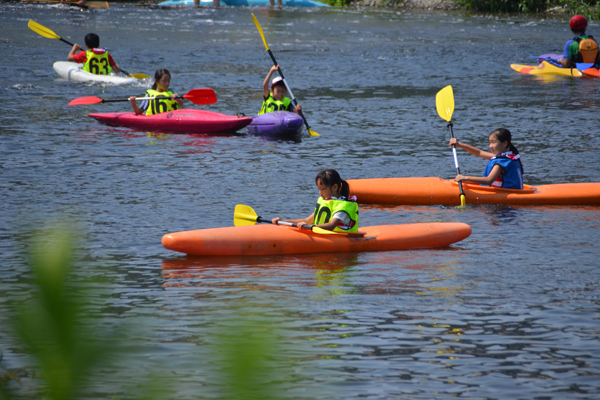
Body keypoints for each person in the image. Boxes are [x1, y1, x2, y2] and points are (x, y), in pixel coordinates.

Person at [272, 169, 359, 233]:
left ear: (335, 187)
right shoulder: (325, 202)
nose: (320, 193)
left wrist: (310, 227)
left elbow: (331, 225)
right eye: (319, 189)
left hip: (343, 238)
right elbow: (306, 221)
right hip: (322, 234)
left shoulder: (343, 206)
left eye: (323, 189)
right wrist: (283, 222)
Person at [449, 128, 524, 190]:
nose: (491, 146)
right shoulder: (506, 157)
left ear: (505, 143)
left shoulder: (501, 162)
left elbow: (489, 180)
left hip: (505, 197)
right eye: (490, 143)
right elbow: (479, 152)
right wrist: (459, 145)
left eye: (493, 142)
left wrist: (465, 177)